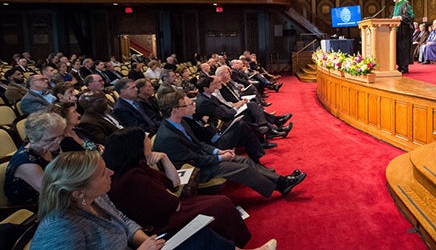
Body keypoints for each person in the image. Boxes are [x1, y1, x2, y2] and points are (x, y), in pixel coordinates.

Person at [30, 151, 277, 250]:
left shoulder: (97, 196)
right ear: (77, 191)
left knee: (200, 235)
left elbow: (125, 222)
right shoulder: (60, 228)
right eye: (103, 173)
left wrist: (143, 240)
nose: (111, 173)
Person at [103, 127, 261, 248]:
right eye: (145, 140)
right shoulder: (132, 177)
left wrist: (164, 158)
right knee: (219, 205)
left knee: (220, 202)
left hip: (172, 208)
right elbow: (173, 203)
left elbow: (174, 183)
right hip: (163, 222)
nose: (149, 142)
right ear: (135, 147)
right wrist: (169, 194)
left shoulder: (139, 165)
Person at [153, 91, 306, 197]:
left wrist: (217, 152)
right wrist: (220, 158)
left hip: (205, 159)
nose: (190, 106)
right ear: (175, 110)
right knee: (243, 168)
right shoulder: (168, 136)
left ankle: (281, 181)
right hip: (197, 170)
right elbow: (194, 160)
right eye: (185, 106)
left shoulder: (179, 123)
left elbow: (199, 144)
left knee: (244, 160)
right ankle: (280, 185)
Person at [4, 112, 66, 205]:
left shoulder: (51, 147)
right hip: (34, 208)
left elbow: (65, 171)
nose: (59, 141)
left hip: (57, 197)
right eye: (51, 139)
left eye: (61, 135)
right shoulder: (26, 162)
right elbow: (52, 193)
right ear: (33, 139)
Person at [391, 0, 415, 74]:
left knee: (403, 49)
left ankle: (404, 67)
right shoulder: (396, 5)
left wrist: (399, 18)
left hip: (404, 31)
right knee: (398, 49)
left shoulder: (405, 3)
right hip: (397, 31)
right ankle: (400, 66)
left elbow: (410, 16)